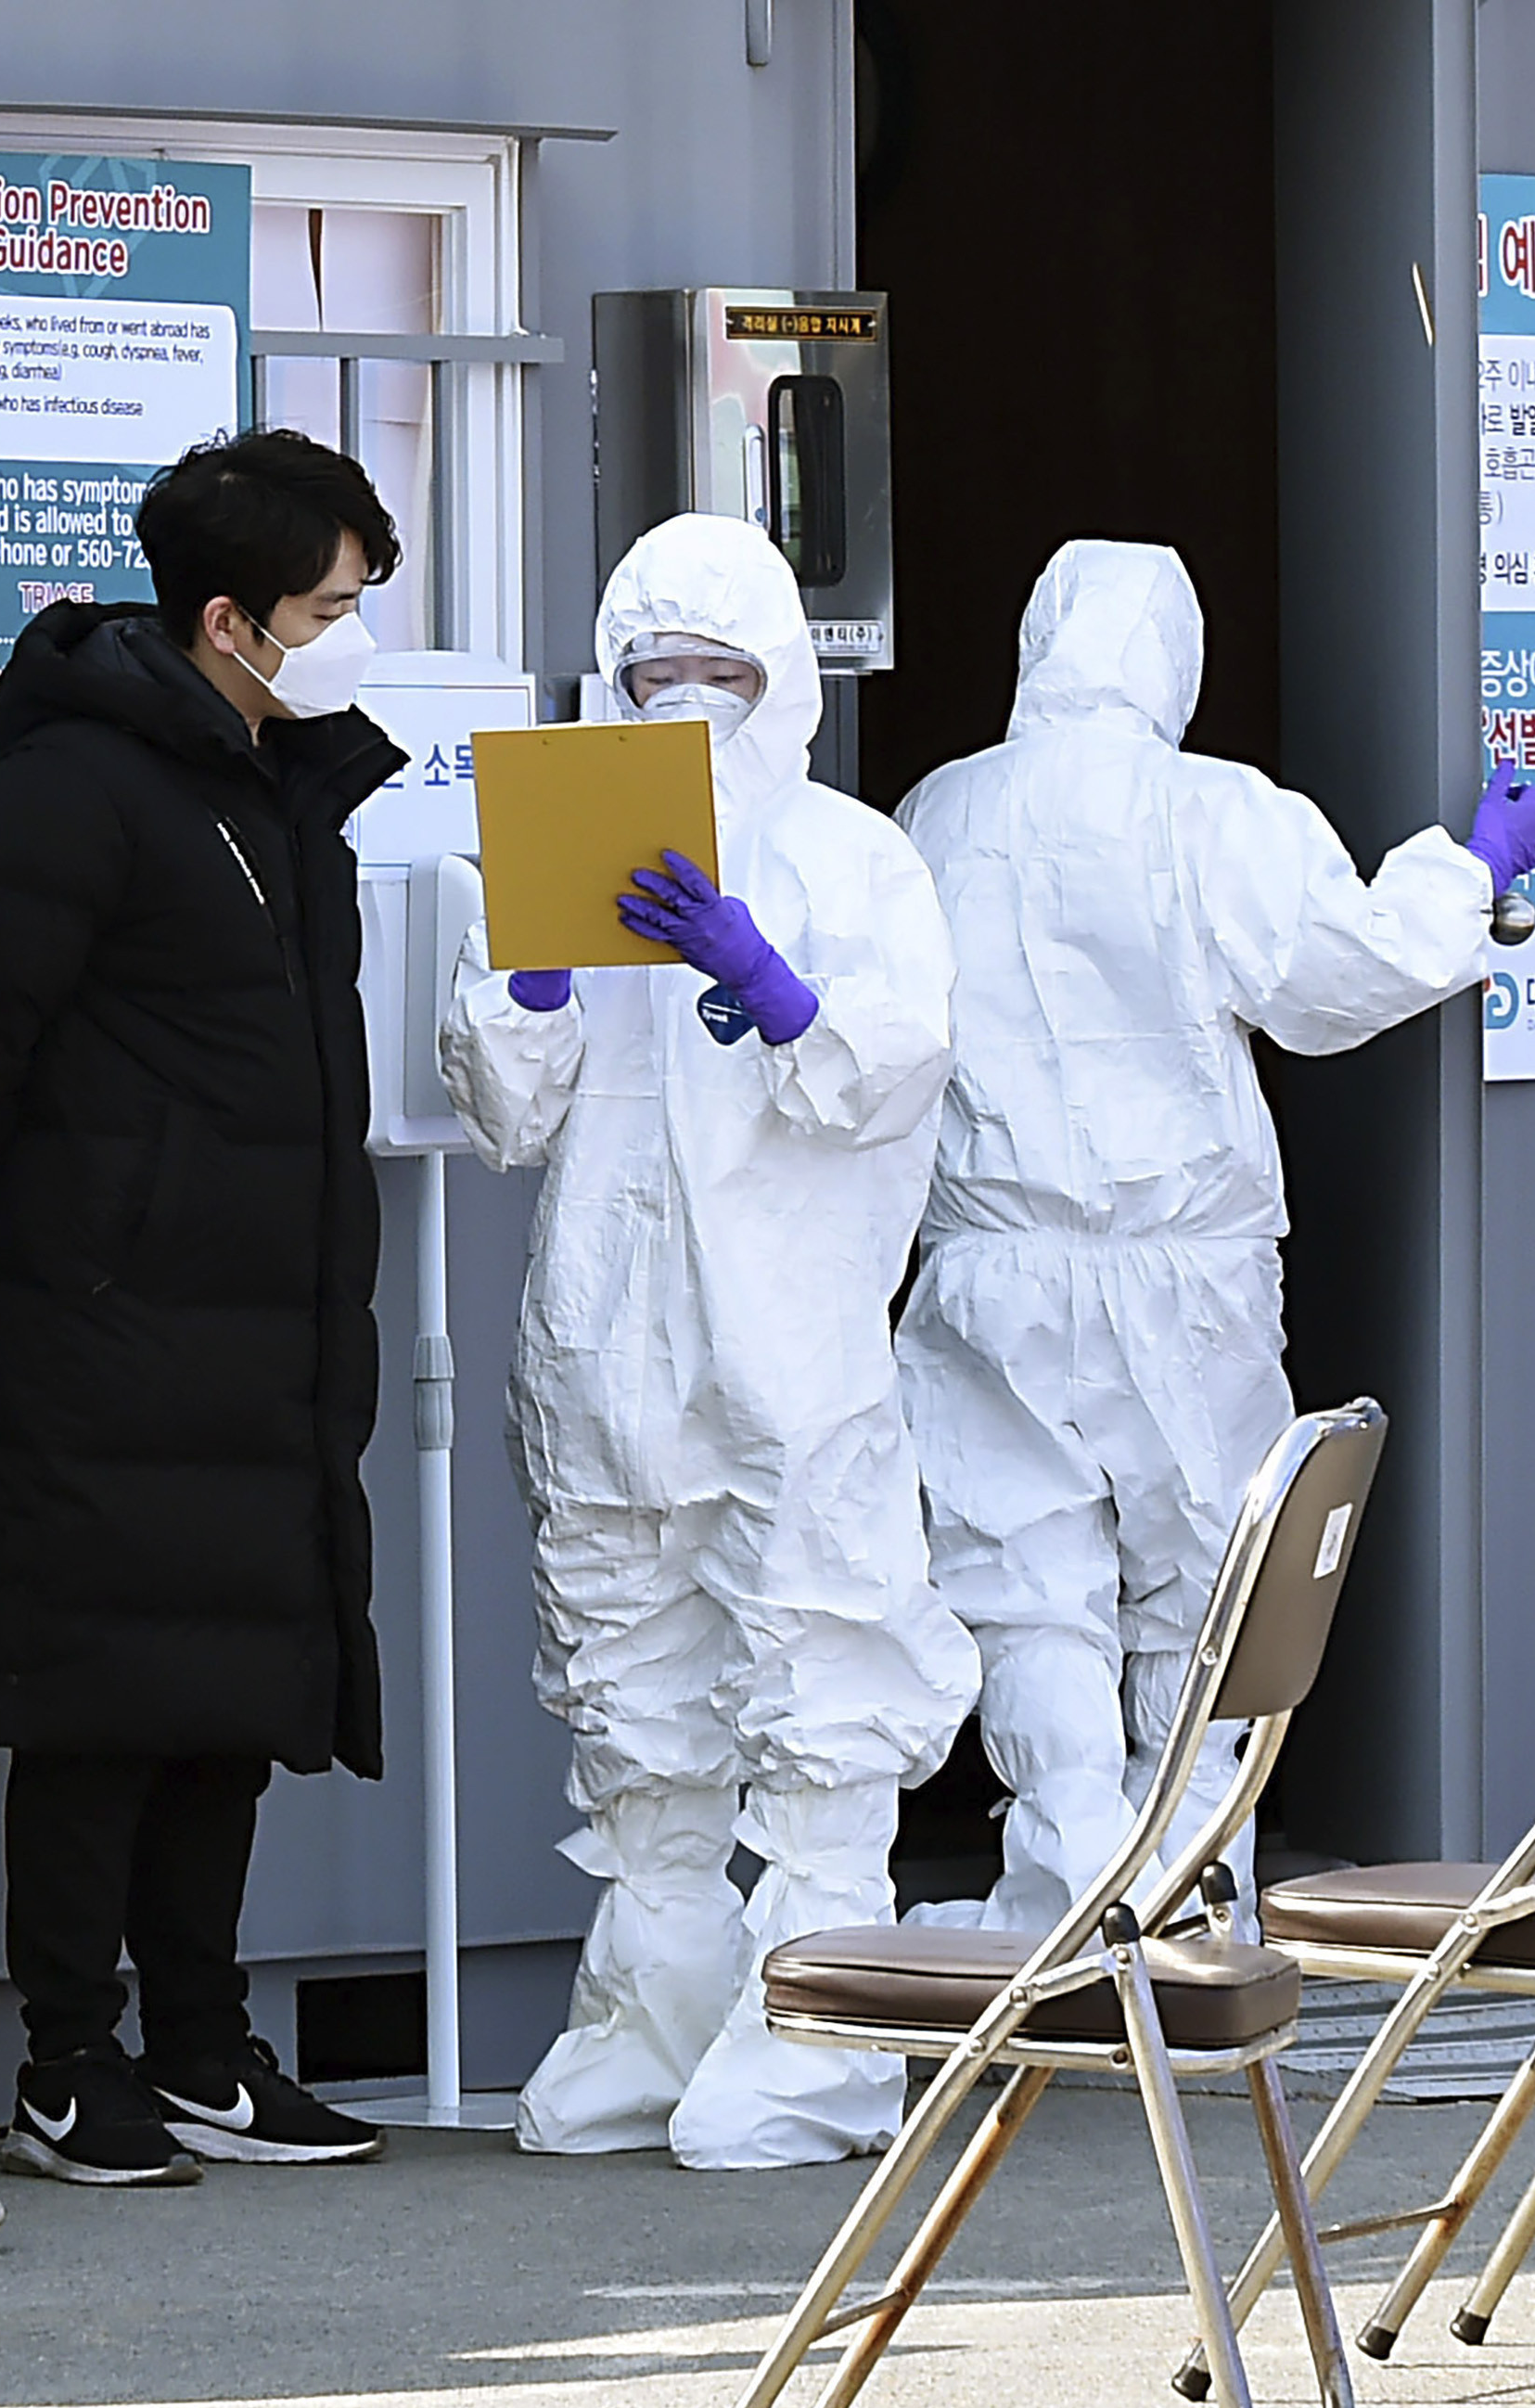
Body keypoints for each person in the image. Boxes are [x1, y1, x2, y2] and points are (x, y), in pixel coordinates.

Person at [893, 540, 1535, 1933]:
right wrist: (1467, 876)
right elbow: (1340, 974)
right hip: (1181, 1272)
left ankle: (1066, 1895)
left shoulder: (942, 812)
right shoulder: (1215, 812)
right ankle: (1187, 1895)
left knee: (1024, 1585)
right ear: (1171, 659)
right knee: (1205, 1588)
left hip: (989, 1268)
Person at [0, 429, 403, 2186]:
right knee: (97, 1701)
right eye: (329, 607)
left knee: (232, 1698)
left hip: (268, 1324)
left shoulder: (280, 785)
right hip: (114, 1326)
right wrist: (64, 1226)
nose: (348, 636)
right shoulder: (84, 784)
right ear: (227, 616)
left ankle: (201, 2042)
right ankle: (66, 2058)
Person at [437, 513, 979, 2171]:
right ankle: (653, 2013)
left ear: (785, 680)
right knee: (630, 1689)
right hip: (605, 1354)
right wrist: (522, 982)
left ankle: (818, 2036)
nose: (683, 701)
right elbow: (507, 1117)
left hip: (790, 1350)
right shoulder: (557, 851)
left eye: (719, 673)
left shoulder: (852, 859)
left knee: (815, 1674)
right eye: (649, 673)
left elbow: (900, 1067)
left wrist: (775, 981)